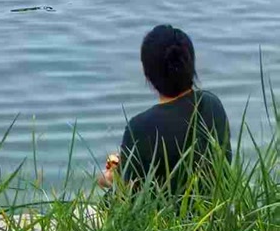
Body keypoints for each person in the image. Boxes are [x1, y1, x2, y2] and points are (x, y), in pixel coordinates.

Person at [99, 26, 231, 192]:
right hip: (215, 206)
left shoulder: (140, 128)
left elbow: (126, 193)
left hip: (164, 209)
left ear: (147, 73)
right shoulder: (212, 105)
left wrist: (108, 178)